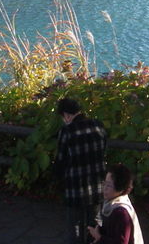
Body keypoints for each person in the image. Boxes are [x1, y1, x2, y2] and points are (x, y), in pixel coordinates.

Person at [54, 95, 108, 244]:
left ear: (66, 115)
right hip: (97, 184)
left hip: (75, 187)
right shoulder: (98, 125)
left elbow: (61, 160)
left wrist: (58, 179)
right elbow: (104, 150)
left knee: (75, 225)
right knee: (95, 223)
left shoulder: (67, 131)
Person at [88, 163, 144, 244]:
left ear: (120, 188)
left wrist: (99, 237)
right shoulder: (110, 203)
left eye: (109, 185)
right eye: (104, 183)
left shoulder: (121, 212)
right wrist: (99, 230)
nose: (105, 188)